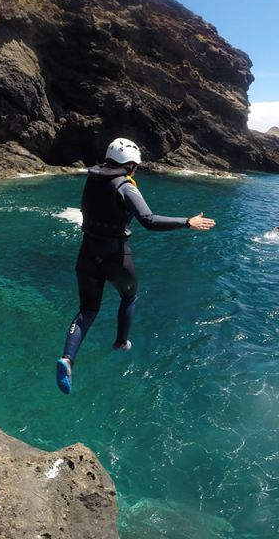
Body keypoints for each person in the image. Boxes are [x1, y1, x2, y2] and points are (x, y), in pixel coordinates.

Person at [56, 137, 215, 394]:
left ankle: (67, 358)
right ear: (131, 165)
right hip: (115, 255)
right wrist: (187, 222)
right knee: (129, 296)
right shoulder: (125, 186)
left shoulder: (93, 178)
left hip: (87, 253)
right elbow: (149, 220)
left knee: (87, 309)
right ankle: (121, 342)